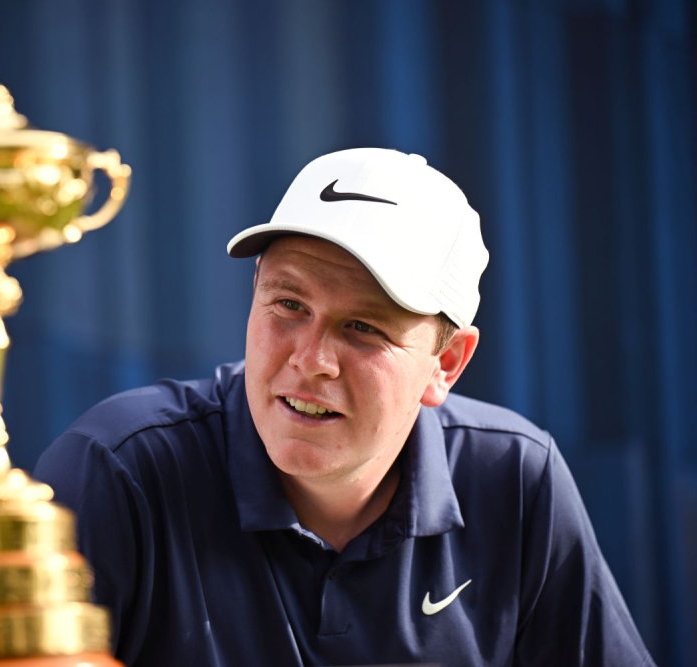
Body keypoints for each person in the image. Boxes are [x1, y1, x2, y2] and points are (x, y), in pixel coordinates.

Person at [33, 148, 654, 666]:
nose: (312, 359)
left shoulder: (516, 479)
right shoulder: (117, 472)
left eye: (362, 326)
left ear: (446, 364)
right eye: (289, 305)